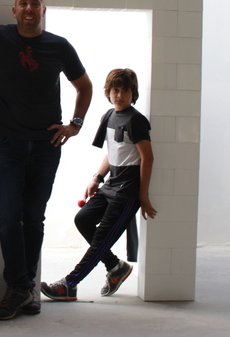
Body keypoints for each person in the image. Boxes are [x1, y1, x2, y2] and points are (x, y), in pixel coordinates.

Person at [0, 0, 92, 320]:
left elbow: (84, 85)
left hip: (47, 146)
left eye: (35, 3)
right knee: (10, 217)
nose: (29, 8)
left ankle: (24, 288)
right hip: (8, 146)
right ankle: (19, 287)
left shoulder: (59, 46)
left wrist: (76, 125)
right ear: (14, 10)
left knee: (34, 218)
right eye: (24, 3)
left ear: (44, 10)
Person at [40, 68, 156, 301]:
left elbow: (147, 157)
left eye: (125, 90)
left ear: (133, 94)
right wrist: (96, 177)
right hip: (110, 184)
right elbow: (113, 152)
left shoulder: (136, 121)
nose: (119, 95)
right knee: (82, 219)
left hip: (127, 192)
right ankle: (116, 268)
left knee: (102, 239)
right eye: (115, 90)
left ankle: (69, 284)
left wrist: (143, 196)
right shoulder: (109, 116)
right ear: (108, 92)